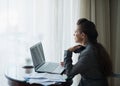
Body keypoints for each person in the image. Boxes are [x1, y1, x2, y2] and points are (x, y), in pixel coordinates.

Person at [64, 18, 113, 86]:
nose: (73, 34)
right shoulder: (94, 47)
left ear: (83, 35)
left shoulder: (88, 53)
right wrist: (67, 64)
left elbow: (69, 73)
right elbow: (88, 67)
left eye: (76, 32)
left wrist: (68, 52)